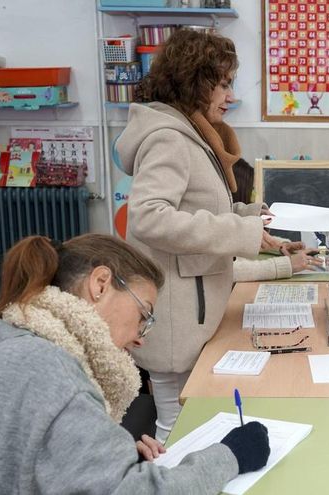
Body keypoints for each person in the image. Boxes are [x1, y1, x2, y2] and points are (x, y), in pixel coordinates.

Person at [0, 234, 270, 494]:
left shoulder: (4, 341)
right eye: (145, 315)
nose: (141, 337)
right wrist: (231, 455)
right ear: (101, 284)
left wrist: (105, 456)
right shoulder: (56, 377)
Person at [119, 29, 281, 442]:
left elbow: (198, 207)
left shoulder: (190, 132)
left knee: (191, 417)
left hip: (195, 307)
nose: (230, 95)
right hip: (176, 315)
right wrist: (239, 230)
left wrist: (250, 217)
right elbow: (149, 218)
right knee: (178, 425)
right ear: (195, 81)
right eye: (223, 84)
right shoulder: (169, 138)